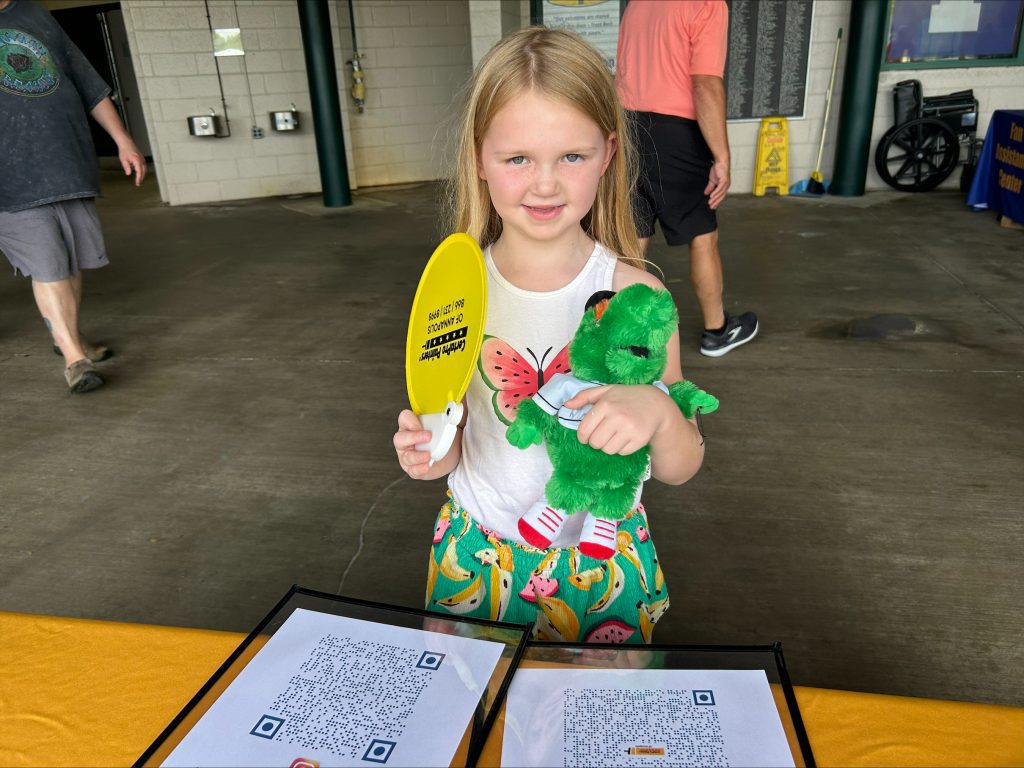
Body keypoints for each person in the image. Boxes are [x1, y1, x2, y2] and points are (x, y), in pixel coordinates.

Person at [393, 28, 708, 644]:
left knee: (596, 727)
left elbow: (680, 466)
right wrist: (430, 452)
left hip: (602, 562)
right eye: (517, 159)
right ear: (479, 158)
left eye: (572, 156)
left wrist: (661, 414)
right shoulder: (457, 290)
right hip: (477, 553)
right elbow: (456, 438)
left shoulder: (637, 299)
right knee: (477, 714)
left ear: (609, 152)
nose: (544, 184)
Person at [0, 0, 146, 393]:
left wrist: (123, 140)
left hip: (66, 163)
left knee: (69, 259)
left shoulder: (34, 15)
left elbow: (87, 82)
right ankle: (73, 359)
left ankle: (68, 337)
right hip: (9, 178)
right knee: (47, 261)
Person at [616, 0, 758, 357]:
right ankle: (717, 331)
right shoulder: (706, 4)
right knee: (702, 236)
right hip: (676, 134)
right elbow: (705, 84)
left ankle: (630, 340)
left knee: (635, 237)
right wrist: (721, 157)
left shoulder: (638, 4)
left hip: (628, 126)